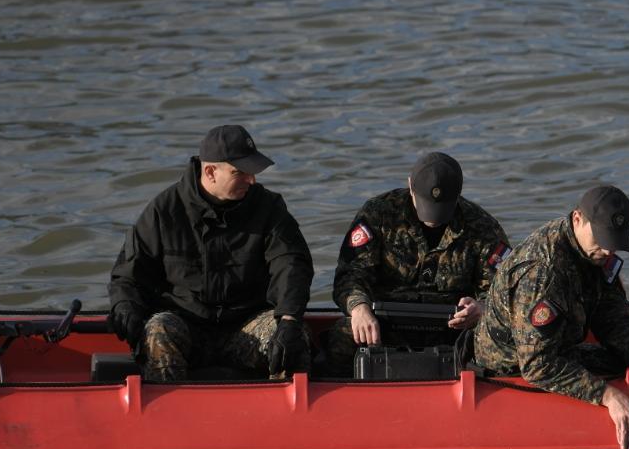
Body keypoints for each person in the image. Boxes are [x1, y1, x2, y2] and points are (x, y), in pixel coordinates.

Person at [472, 184, 629, 449]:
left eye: (613, 242)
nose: (608, 251)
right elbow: (537, 365)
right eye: (602, 239)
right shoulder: (543, 272)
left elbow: (612, 310)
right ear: (577, 218)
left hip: (558, 343)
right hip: (512, 362)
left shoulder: (594, 252)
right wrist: (608, 396)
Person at [107, 124, 314, 381]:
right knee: (158, 330)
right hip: (186, 327)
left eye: (253, 172)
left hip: (244, 326)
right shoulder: (164, 211)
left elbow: (292, 264)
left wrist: (290, 319)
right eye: (241, 172)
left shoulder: (269, 207)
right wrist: (125, 306)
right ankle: (167, 414)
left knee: (291, 338)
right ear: (210, 172)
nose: (252, 180)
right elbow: (128, 274)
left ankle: (287, 417)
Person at [321, 151, 511, 373]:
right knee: (341, 336)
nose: (432, 217)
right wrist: (359, 308)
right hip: (385, 324)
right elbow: (350, 274)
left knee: (503, 345)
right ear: (410, 185)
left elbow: (504, 290)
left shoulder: (482, 227)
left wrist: (481, 308)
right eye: (425, 204)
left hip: (454, 328)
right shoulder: (379, 215)